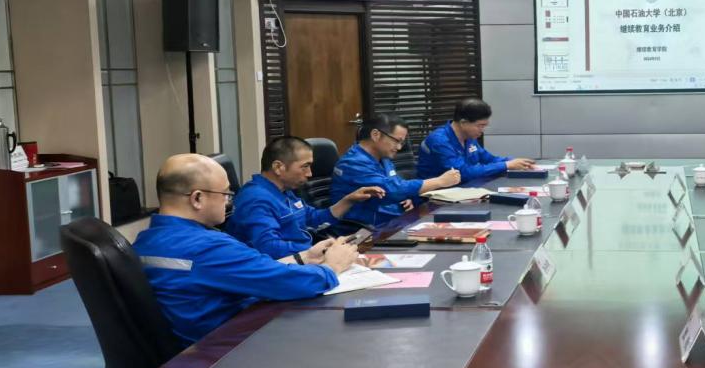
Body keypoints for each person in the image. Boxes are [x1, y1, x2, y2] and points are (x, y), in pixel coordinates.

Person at [132, 154, 358, 344]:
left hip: (194, 348)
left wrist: (304, 256)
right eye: (225, 194)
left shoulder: (145, 241)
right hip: (226, 351)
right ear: (197, 198)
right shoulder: (207, 247)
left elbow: (246, 270)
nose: (228, 202)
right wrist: (332, 266)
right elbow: (288, 282)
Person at [226, 136, 385, 258]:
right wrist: (323, 249)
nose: (310, 174)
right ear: (278, 167)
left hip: (302, 259)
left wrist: (348, 200)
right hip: (279, 269)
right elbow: (269, 248)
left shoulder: (284, 191)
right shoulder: (256, 199)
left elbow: (313, 219)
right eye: (305, 166)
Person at [331, 113, 461, 227]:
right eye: (397, 141)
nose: (399, 147)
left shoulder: (383, 158)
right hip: (363, 230)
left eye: (402, 143)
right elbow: (391, 190)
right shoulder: (352, 163)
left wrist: (405, 199)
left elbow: (396, 185)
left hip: (391, 222)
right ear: (376, 135)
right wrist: (440, 181)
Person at [416, 98, 536, 182]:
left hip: (465, 189)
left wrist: (514, 162)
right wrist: (506, 165)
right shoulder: (439, 140)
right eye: (480, 126)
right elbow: (462, 173)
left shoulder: (469, 137)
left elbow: (488, 159)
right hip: (435, 196)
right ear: (463, 123)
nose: (482, 130)